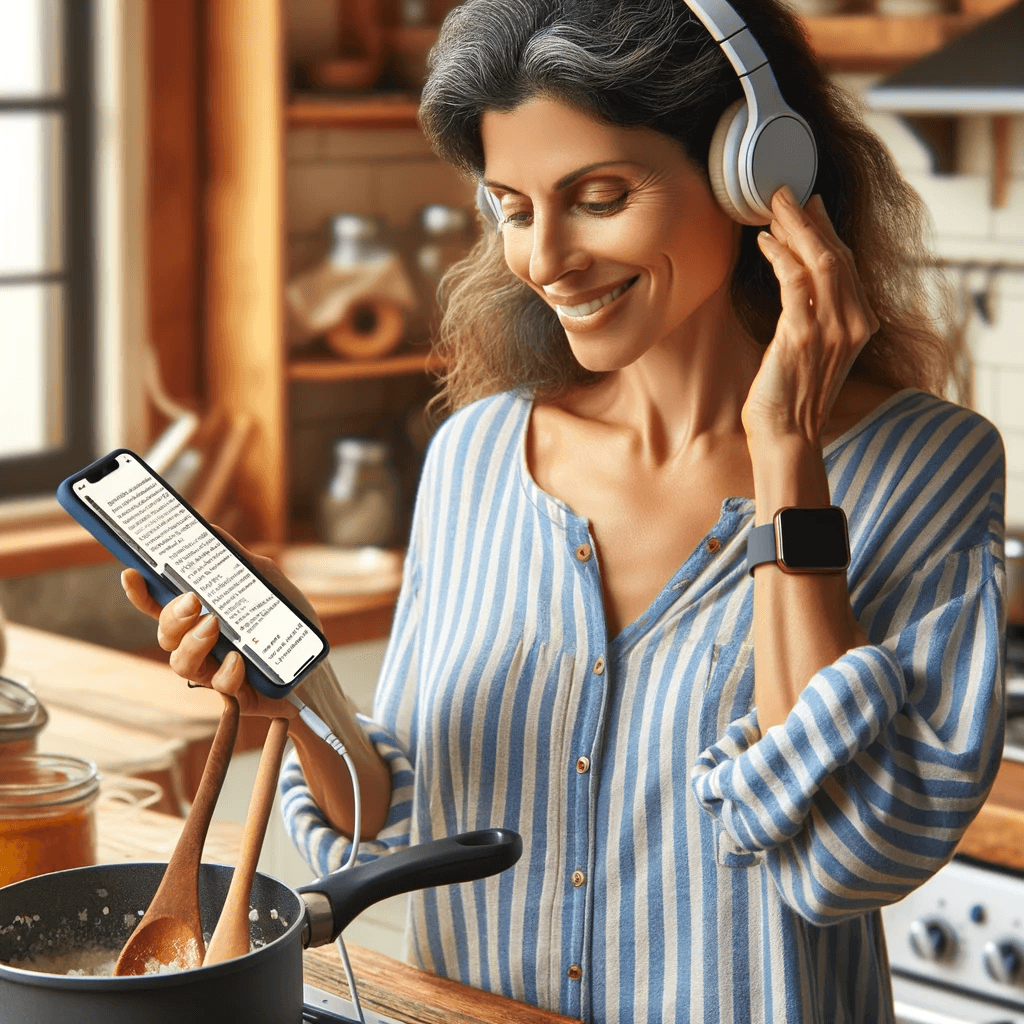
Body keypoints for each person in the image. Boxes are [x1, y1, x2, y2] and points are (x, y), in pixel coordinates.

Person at [122, 0, 1007, 1020]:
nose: (544, 259)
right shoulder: (475, 457)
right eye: (512, 205)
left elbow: (843, 865)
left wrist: (786, 459)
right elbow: (398, 833)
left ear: (755, 174)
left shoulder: (929, 466)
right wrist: (300, 695)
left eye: (597, 195)